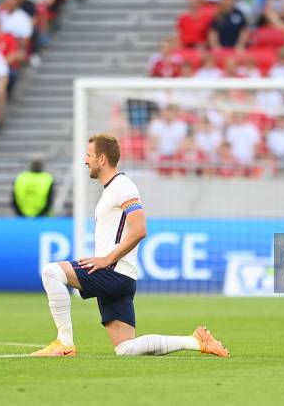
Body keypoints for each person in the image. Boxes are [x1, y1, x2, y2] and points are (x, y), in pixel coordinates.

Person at [31, 133, 230, 357]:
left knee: (51, 272)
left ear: (102, 159)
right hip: (121, 276)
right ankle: (196, 341)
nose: (86, 160)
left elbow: (140, 229)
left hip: (113, 272)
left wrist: (108, 259)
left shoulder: (122, 186)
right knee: (126, 349)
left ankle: (64, 343)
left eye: (89, 155)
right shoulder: (112, 189)